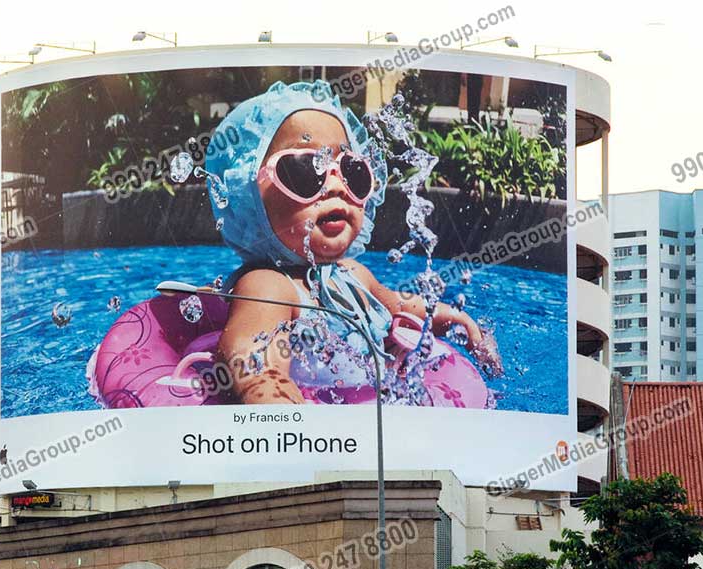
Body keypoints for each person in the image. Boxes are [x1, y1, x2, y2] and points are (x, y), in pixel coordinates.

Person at [203, 80, 501, 407]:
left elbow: (400, 306)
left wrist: (457, 320)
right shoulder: (268, 286)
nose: (335, 185)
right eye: (305, 169)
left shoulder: (353, 274)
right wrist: (281, 413)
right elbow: (252, 357)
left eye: (351, 170)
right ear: (248, 196)